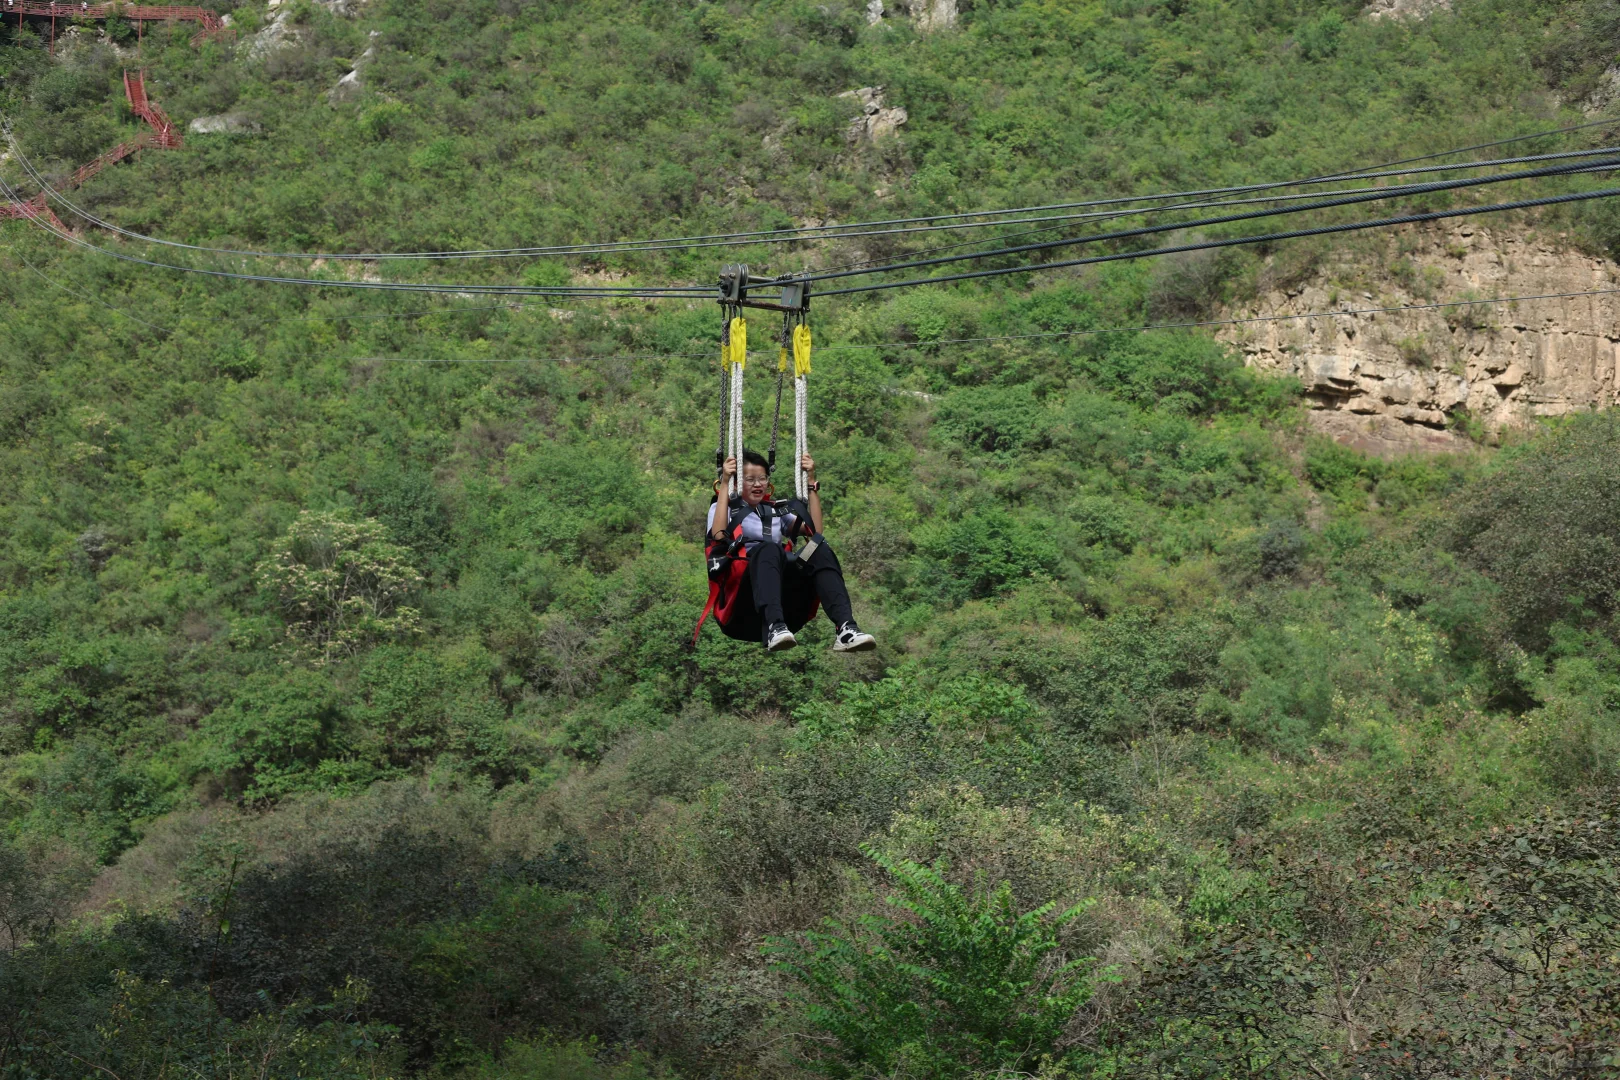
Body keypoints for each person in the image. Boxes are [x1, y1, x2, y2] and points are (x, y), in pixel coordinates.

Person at [707, 449, 876, 653]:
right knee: (769, 548)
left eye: (762, 479)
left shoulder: (774, 511)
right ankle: (773, 626)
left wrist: (811, 483)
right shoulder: (724, 507)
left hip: (783, 590)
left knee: (817, 547)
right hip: (744, 593)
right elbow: (718, 534)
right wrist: (725, 483)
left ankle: (846, 628)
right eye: (750, 479)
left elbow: (815, 531)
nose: (758, 484)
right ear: (738, 483)